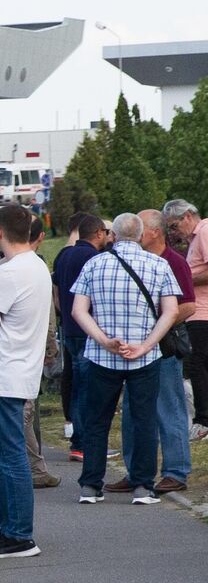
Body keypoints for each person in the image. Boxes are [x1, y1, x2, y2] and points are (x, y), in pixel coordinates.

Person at [69, 212, 181, 505]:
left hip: (102, 356)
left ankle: (91, 486)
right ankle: (143, 486)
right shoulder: (159, 265)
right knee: (144, 420)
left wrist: (104, 340)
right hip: (144, 357)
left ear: (113, 235)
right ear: (142, 235)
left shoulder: (94, 264)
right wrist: (146, 345)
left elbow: (78, 311)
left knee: (96, 421)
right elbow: (170, 311)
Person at [0, 206, 54, 559]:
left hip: (5, 373)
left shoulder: (7, 272)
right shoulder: (36, 266)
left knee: (10, 455)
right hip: (13, 370)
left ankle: (19, 534)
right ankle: (11, 526)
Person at [131, 208, 192, 492]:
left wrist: (158, 325)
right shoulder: (136, 260)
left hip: (164, 347)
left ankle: (176, 471)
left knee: (170, 407)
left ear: (154, 231)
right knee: (133, 410)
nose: (135, 233)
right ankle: (135, 472)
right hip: (138, 348)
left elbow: (189, 306)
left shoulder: (174, 262)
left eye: (140, 228)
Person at [53, 213, 110, 459]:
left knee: (77, 384)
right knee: (90, 388)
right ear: (98, 233)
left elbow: (56, 292)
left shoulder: (64, 255)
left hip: (69, 327)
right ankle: (86, 443)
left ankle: (77, 441)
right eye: (105, 233)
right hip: (89, 330)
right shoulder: (94, 258)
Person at [179, 200, 208, 441]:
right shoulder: (194, 238)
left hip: (203, 312)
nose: (173, 231)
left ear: (188, 216)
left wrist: (186, 279)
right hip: (196, 312)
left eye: (174, 224)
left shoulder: (205, 231)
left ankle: (203, 421)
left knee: (197, 365)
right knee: (197, 365)